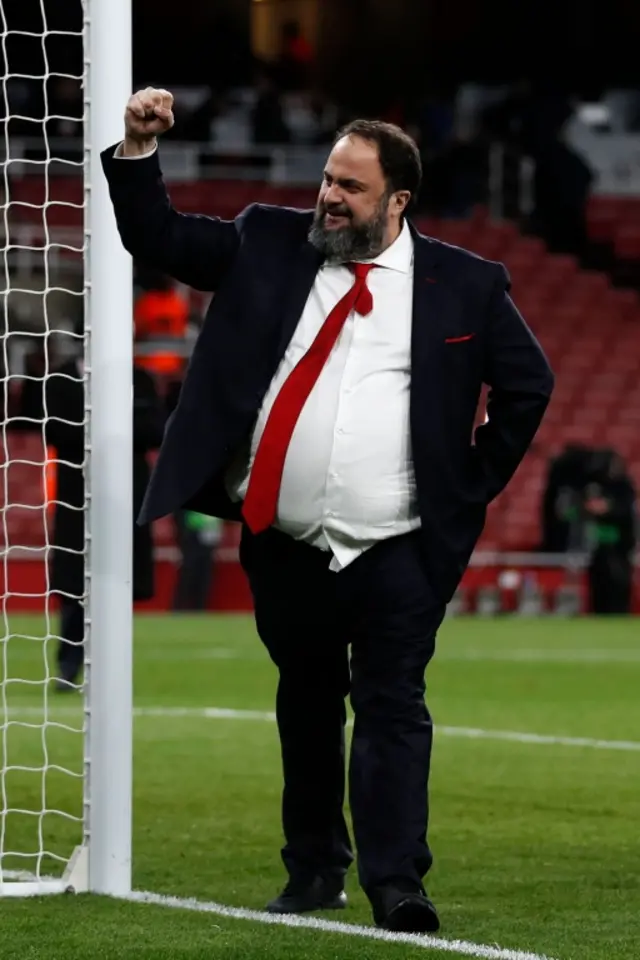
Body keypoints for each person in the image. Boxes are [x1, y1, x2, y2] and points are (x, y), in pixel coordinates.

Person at [101, 87, 554, 933]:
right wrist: (137, 149)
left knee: (392, 707)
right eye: (327, 178)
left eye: (349, 186)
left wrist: (466, 488)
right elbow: (154, 236)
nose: (328, 196)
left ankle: (397, 884)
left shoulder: (466, 284)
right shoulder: (269, 241)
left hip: (401, 549)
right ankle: (313, 870)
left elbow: (529, 386)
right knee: (306, 707)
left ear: (398, 201)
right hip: (287, 541)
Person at [45, 349, 164, 687]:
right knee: (74, 585)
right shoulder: (61, 378)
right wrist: (112, 426)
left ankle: (112, 669)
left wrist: (103, 427)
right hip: (76, 495)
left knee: (119, 581)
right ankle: (68, 665)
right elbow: (52, 431)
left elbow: (154, 430)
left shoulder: (138, 377)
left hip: (128, 493)